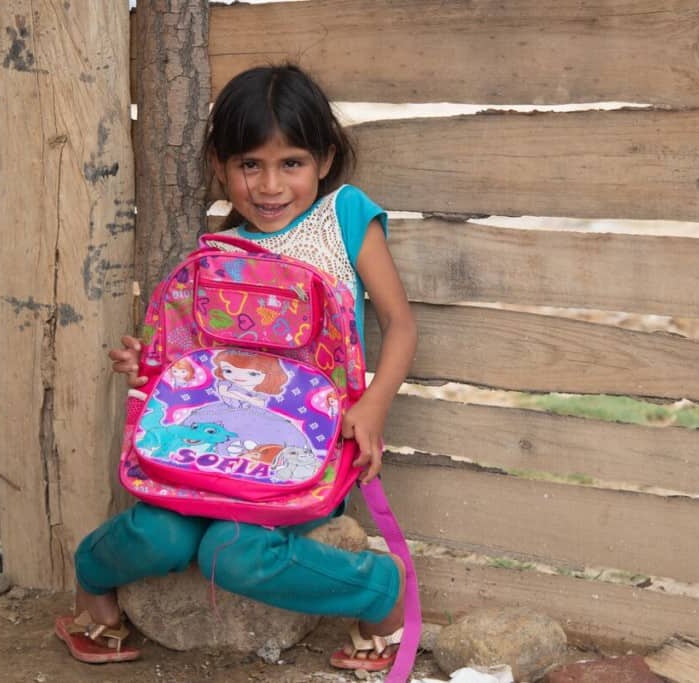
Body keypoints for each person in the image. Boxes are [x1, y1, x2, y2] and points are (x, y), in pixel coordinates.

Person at [55, 64, 418, 672]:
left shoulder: (346, 218)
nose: (270, 185)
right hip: (211, 448)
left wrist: (373, 405)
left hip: (305, 451)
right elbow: (192, 363)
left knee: (233, 552)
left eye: (291, 163)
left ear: (325, 161)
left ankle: (382, 593)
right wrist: (143, 364)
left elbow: (401, 324)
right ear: (223, 167)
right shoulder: (218, 256)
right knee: (159, 534)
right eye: (250, 164)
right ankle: (92, 585)